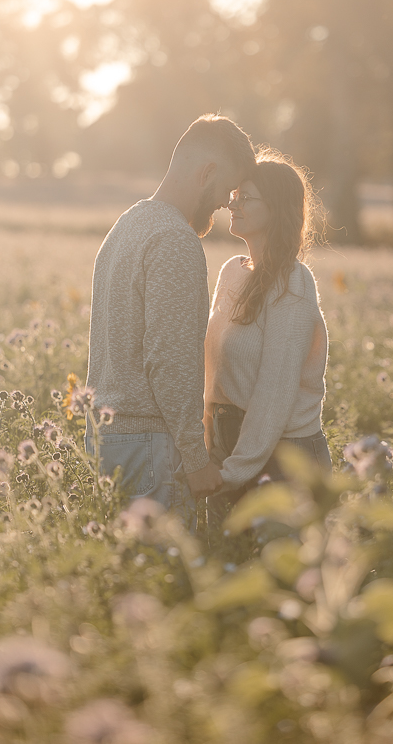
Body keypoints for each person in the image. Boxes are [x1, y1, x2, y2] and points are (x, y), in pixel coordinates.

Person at [85, 114, 257, 526]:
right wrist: (196, 460)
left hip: (106, 440)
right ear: (207, 172)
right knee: (166, 580)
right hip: (150, 447)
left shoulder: (127, 225)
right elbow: (169, 360)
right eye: (226, 189)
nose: (225, 202)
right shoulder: (175, 240)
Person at [204, 150, 332, 528]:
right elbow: (212, 368)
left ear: (276, 209)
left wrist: (233, 472)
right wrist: (208, 447)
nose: (233, 204)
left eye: (246, 198)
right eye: (234, 196)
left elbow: (275, 392)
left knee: (280, 576)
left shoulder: (293, 283)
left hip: (283, 455)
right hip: (231, 444)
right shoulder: (231, 272)